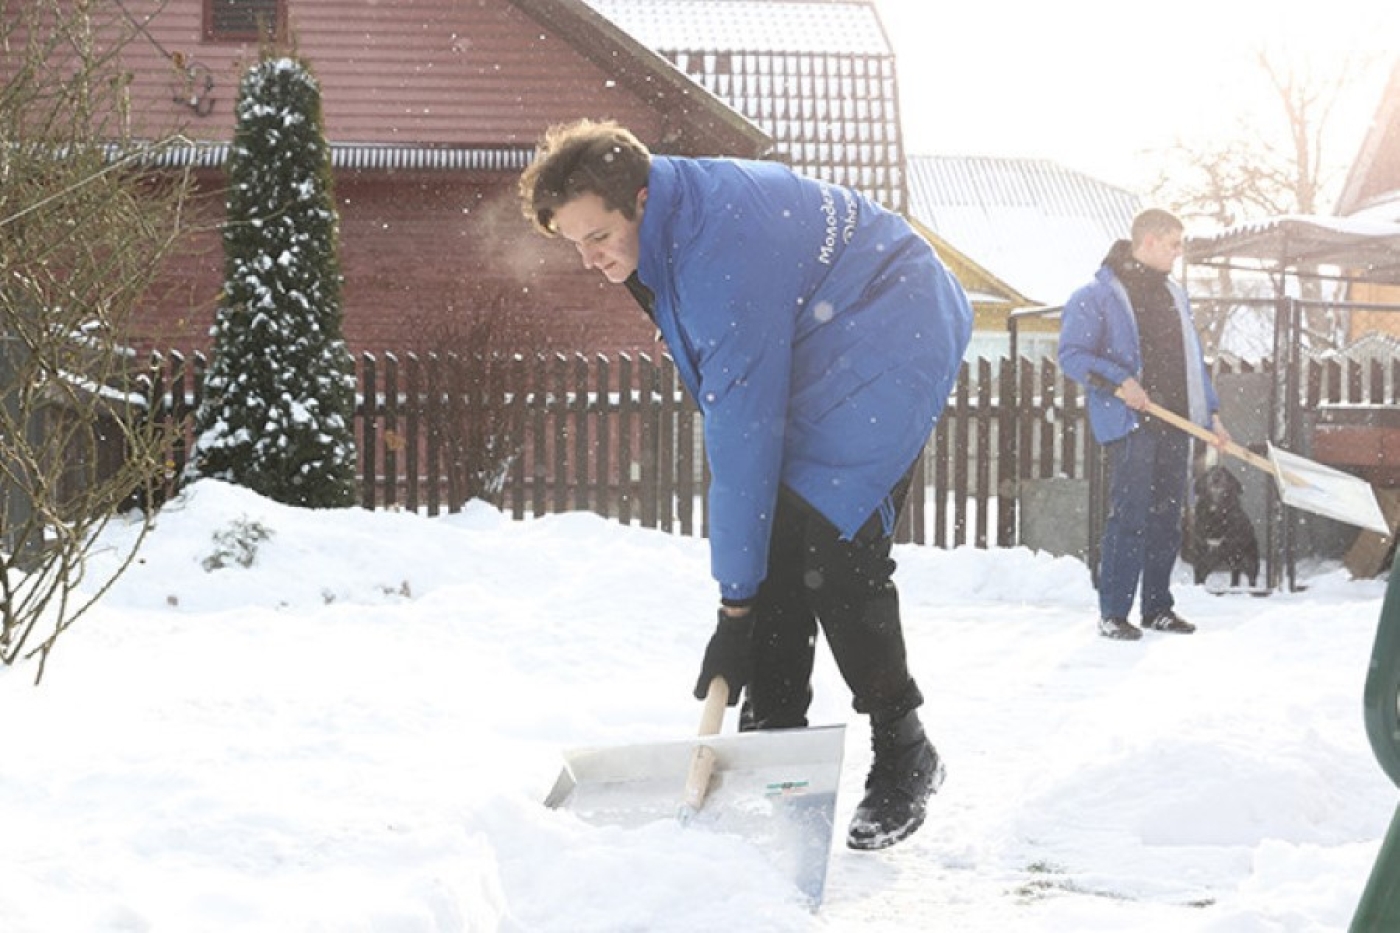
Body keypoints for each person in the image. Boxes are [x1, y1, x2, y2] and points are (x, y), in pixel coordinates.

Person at [518, 119, 973, 850]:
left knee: (832, 543)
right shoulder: (662, 224)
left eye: (596, 236)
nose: (588, 257)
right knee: (777, 537)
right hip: (824, 325)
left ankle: (905, 749)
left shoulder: (715, 258)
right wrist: (750, 615)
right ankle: (774, 740)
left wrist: (735, 613)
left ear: (638, 199)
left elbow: (742, 437)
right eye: (574, 242)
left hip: (896, 318)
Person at [1059, 208, 1231, 641]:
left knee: (1167, 519)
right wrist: (1121, 384)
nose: (1179, 252)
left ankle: (1158, 607)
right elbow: (1073, 356)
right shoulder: (1095, 296)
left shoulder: (1176, 296)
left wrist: (1211, 413)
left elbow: (1193, 362)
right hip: (1134, 423)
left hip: (1177, 423)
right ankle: (1114, 612)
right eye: (1174, 243)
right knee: (1129, 516)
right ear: (1149, 241)